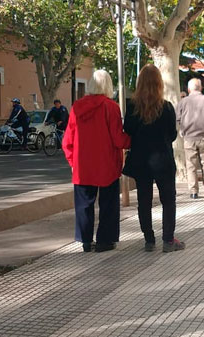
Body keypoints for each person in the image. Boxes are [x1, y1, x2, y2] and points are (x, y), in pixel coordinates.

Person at [62, 70, 131, 253]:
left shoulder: (77, 107)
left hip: (82, 165)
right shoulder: (111, 107)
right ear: (108, 85)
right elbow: (118, 138)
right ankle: (105, 241)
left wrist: (72, 162)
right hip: (106, 164)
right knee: (108, 204)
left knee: (84, 205)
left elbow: (67, 140)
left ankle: (85, 240)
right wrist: (132, 140)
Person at [123, 64, 184, 253]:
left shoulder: (132, 106)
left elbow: (128, 130)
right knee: (168, 200)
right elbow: (173, 135)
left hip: (141, 160)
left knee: (144, 200)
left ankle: (149, 239)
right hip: (162, 160)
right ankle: (168, 239)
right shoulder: (166, 107)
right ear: (159, 84)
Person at [176, 78, 204, 199]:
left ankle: (193, 191)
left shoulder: (183, 102)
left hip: (189, 137)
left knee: (191, 165)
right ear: (201, 88)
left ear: (189, 89)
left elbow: (177, 118)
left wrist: (182, 131)